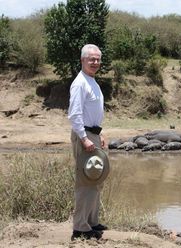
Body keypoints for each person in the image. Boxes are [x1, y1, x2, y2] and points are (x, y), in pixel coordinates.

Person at [68, 44, 108, 241]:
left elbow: (91, 113)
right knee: (86, 181)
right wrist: (84, 138)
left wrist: (98, 134)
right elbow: (74, 114)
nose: (95, 62)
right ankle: (80, 228)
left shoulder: (92, 81)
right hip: (84, 136)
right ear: (82, 60)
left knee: (96, 179)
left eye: (98, 59)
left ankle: (91, 221)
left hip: (93, 134)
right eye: (91, 59)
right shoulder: (80, 83)